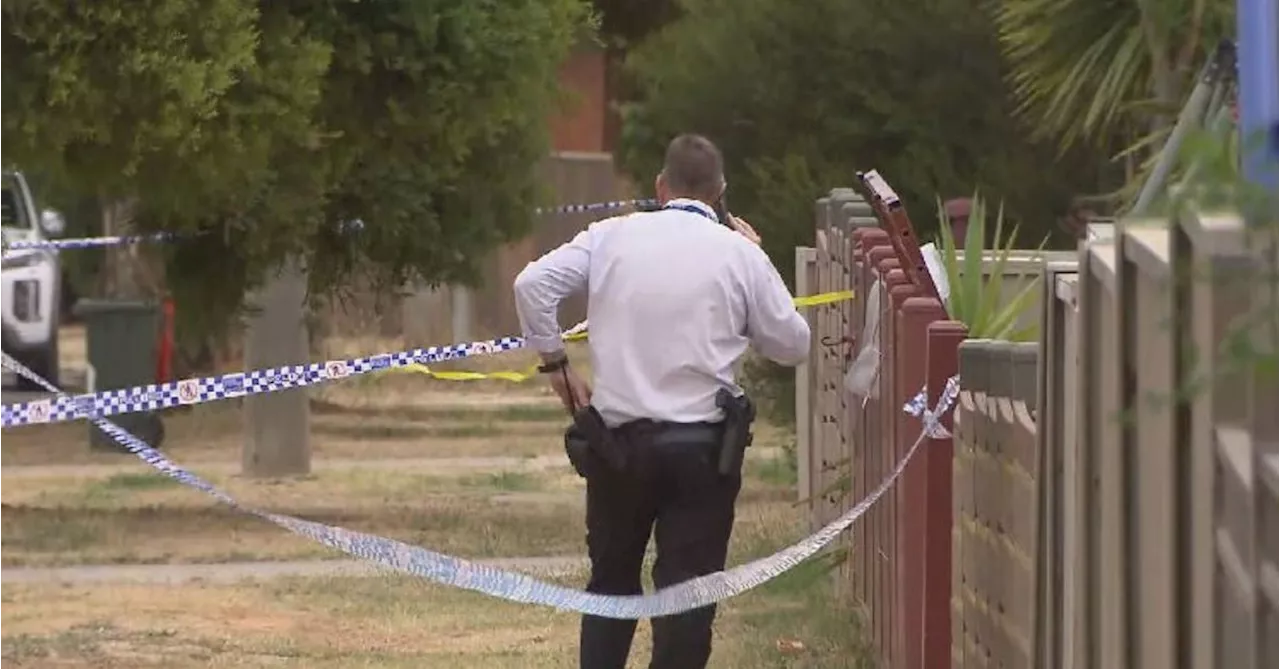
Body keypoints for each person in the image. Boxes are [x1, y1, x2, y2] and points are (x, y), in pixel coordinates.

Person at [512, 133, 811, 669]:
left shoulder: (609, 237)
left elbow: (531, 284)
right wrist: (757, 259)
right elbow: (793, 345)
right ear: (720, 192)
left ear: (660, 185)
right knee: (688, 598)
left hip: (617, 445)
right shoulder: (738, 252)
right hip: (702, 451)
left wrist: (555, 363)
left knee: (610, 587)